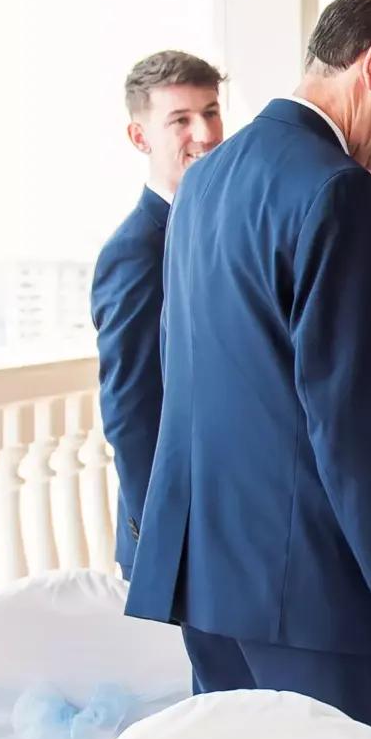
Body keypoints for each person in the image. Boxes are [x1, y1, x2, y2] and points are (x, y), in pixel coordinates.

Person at [125, 0, 371, 739]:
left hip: (214, 590)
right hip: (321, 600)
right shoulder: (339, 191)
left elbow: (191, 382)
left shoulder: (205, 182)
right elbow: (355, 429)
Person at [92, 50, 224, 577]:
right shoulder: (134, 250)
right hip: (177, 542)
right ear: (140, 137)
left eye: (212, 112)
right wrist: (165, 539)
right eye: (181, 120)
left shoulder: (221, 228)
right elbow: (131, 410)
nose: (206, 133)